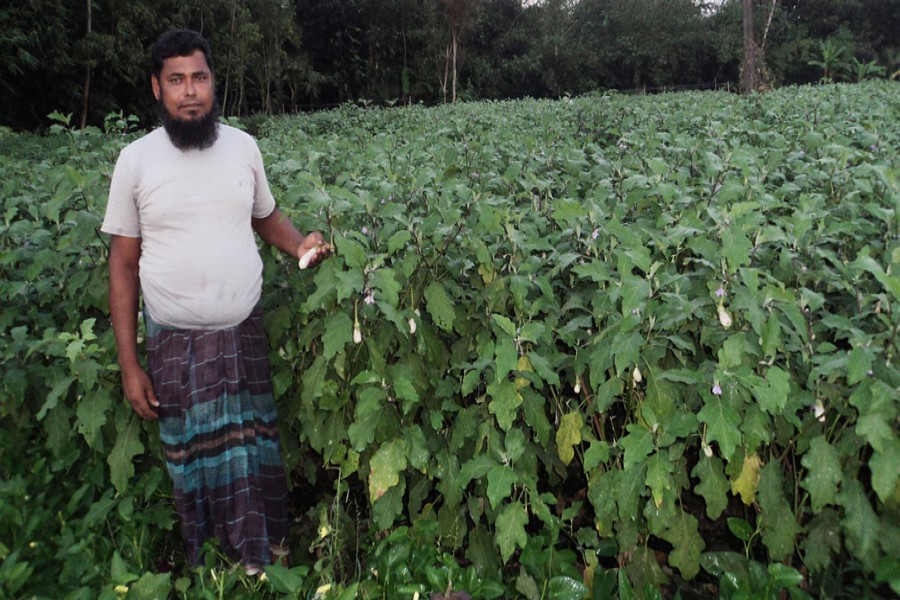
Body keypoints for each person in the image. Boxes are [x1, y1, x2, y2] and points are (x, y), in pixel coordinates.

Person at [101, 28, 330, 574]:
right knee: (196, 463)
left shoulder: (242, 147)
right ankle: (215, 570)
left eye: (199, 78)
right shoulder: (135, 163)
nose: (190, 91)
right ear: (157, 88)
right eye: (176, 80)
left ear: (212, 83)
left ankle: (266, 558)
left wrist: (300, 243)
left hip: (243, 334)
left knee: (253, 454)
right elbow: (123, 264)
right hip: (176, 347)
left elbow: (265, 217)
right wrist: (130, 364)